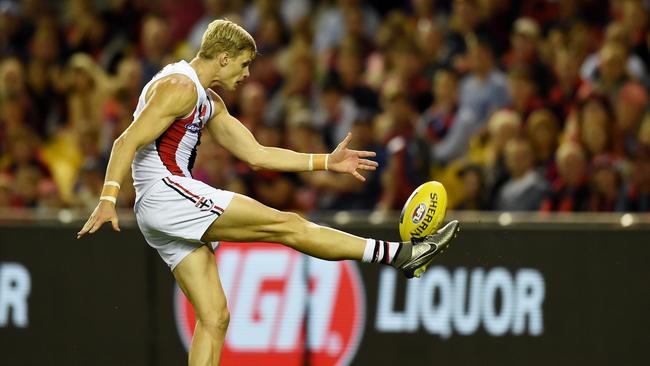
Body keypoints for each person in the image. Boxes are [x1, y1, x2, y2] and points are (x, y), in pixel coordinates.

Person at [76, 20, 460, 366]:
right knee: (287, 224)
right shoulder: (180, 88)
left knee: (214, 317)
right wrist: (108, 199)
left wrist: (326, 161)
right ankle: (401, 255)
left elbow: (256, 154)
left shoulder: (207, 100)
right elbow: (125, 141)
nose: (246, 74)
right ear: (223, 58)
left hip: (162, 208)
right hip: (167, 195)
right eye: (243, 64)